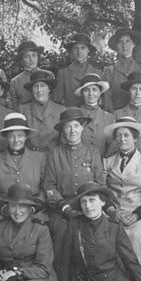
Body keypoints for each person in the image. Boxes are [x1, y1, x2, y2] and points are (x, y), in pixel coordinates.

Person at [43, 108, 105, 269]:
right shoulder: (55, 153)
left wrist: (91, 205)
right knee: (62, 231)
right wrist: (64, 207)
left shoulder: (92, 152)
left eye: (76, 126)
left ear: (82, 127)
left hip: (89, 204)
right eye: (68, 127)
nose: (72, 131)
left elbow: (100, 183)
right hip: (63, 206)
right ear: (63, 130)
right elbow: (49, 185)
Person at [103, 117, 141, 277]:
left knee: (135, 237)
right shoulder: (107, 162)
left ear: (135, 138)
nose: (122, 139)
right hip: (114, 211)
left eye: (126, 135)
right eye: (119, 135)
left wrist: (136, 215)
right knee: (104, 235)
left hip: (140, 212)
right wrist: (112, 211)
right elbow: (101, 191)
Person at [0, 113, 46, 222]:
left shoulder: (39, 157)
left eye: (20, 135)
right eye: (11, 136)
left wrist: (33, 208)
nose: (16, 140)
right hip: (3, 213)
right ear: (6, 137)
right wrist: (4, 209)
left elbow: (45, 187)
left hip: (34, 212)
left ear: (26, 136)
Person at [104, 28, 141, 111]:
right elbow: (107, 99)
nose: (124, 45)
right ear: (116, 46)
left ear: (134, 44)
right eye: (120, 42)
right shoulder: (109, 71)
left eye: (128, 41)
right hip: (116, 117)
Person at [53, 33, 103, 107]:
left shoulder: (97, 73)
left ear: (88, 50)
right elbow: (57, 100)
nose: (79, 52)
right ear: (71, 51)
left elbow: (103, 100)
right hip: (71, 115)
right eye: (76, 48)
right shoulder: (63, 74)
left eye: (83, 48)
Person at [20, 70, 64, 150]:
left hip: (53, 155)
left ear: (49, 89)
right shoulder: (23, 110)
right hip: (30, 157)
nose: (39, 90)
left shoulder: (61, 110)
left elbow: (64, 139)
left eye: (42, 86)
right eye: (36, 86)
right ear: (31, 90)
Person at [75, 73, 115, 156]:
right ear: (82, 93)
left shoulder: (108, 117)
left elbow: (111, 145)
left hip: (101, 162)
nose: (91, 94)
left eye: (94, 89)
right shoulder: (75, 114)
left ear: (100, 92)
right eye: (86, 90)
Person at [9, 40, 45, 110]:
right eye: (27, 57)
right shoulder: (15, 82)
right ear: (21, 60)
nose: (31, 59)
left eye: (34, 55)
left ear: (38, 57)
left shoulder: (47, 75)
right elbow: (15, 106)